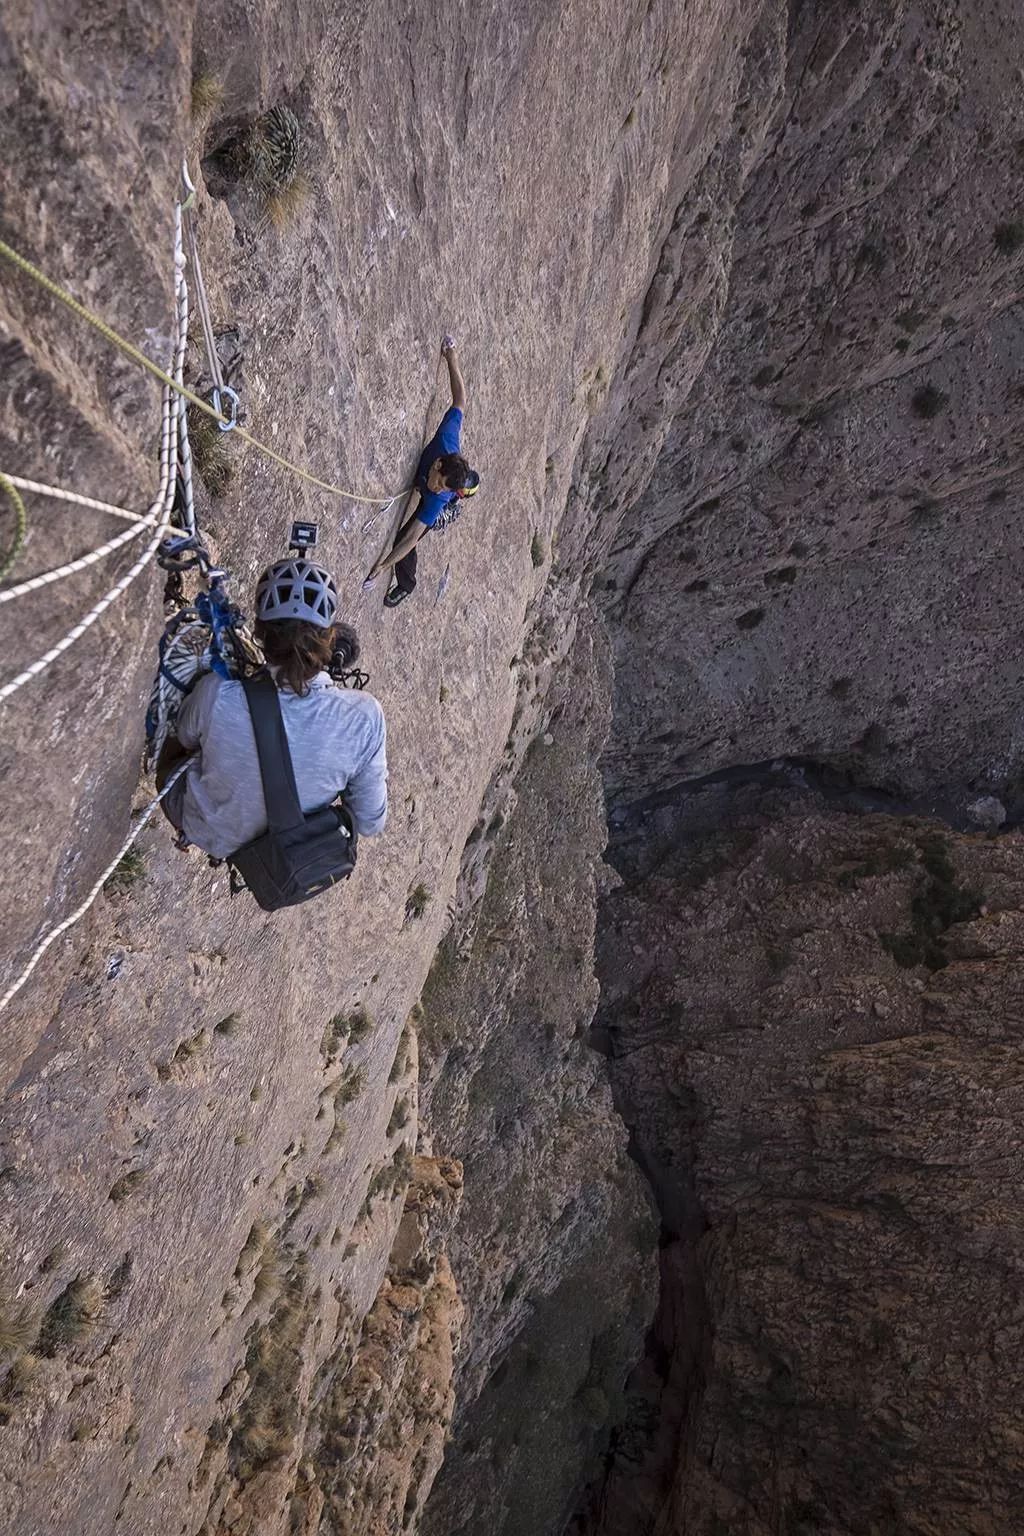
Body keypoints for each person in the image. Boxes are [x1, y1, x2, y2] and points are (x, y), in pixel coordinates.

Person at [160, 559, 388, 859]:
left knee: (189, 737)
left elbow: (185, 740)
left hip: (207, 829)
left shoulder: (217, 693)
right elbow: (370, 822)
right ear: (329, 638)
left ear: (258, 631)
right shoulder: (364, 719)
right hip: (278, 855)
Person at [363, 335, 480, 607]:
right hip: (429, 478)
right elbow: (460, 400)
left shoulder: (439, 497)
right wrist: (452, 356)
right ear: (438, 464)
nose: (437, 487)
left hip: (439, 507)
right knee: (422, 495)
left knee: (404, 539)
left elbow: (413, 537)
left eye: (443, 488)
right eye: (439, 483)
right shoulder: (446, 438)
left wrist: (383, 565)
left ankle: (407, 584)